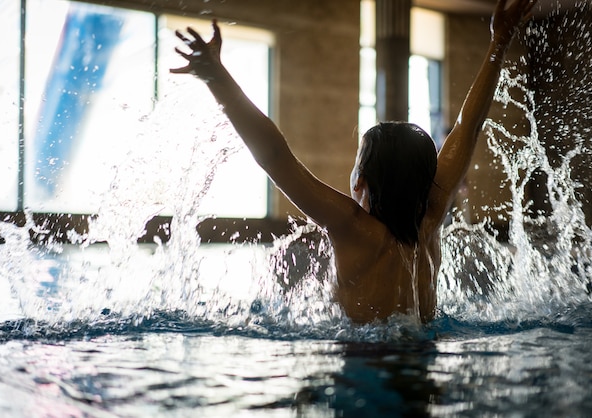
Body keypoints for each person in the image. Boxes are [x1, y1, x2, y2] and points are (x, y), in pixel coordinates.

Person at [171, 0, 538, 324]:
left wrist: (216, 77)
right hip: (421, 361)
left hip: (362, 363)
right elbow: (468, 127)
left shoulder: (351, 226)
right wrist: (498, 44)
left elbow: (275, 156)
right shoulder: (432, 217)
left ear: (360, 180)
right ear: (428, 181)